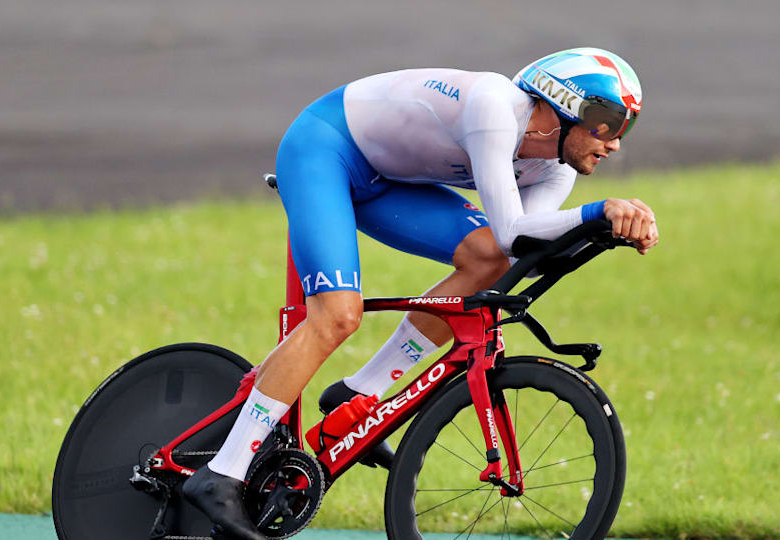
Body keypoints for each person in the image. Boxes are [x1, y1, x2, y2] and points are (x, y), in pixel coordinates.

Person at [183, 47, 659, 539]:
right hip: (326, 149)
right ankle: (222, 473)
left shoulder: (554, 167)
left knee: (487, 261)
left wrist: (610, 230)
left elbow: (516, 248)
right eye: (607, 122)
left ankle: (358, 392)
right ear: (563, 104)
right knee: (337, 316)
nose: (615, 143)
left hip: (385, 179)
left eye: (626, 127)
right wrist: (598, 212)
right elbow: (515, 229)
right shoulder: (496, 107)